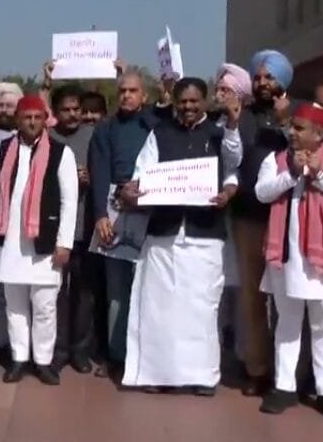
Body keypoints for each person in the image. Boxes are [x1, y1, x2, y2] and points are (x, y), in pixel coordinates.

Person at [119, 78, 242, 395]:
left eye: (194, 101)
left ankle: (202, 377)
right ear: (174, 102)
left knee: (201, 308)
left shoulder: (219, 135)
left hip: (205, 234)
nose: (188, 107)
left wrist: (228, 193)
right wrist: (133, 189)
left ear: (204, 102)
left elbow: (232, 170)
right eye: (182, 102)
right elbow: (142, 173)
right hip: (164, 232)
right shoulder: (159, 133)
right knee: (160, 308)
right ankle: (158, 375)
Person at [254, 104, 323, 421]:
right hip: (286, 259)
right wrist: (293, 175)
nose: (292, 133)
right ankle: (284, 387)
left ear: (320, 133)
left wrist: (320, 174)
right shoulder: (276, 159)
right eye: (292, 127)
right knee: (286, 323)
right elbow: (262, 193)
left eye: (300, 128)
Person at [0, 95, 78, 385]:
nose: (32, 122)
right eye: (26, 117)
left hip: (45, 241)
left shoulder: (60, 153)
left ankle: (43, 360)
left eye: (37, 117)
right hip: (11, 241)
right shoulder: (6, 149)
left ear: (45, 120)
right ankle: (19, 358)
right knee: (15, 304)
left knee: (44, 306)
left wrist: (64, 242)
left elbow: (70, 201)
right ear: (18, 120)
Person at [231, 48, 296, 396]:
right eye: (258, 76)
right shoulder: (242, 116)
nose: (263, 82)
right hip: (248, 217)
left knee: (290, 299)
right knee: (253, 298)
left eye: (269, 77)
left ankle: (292, 373)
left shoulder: (297, 113)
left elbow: (308, 151)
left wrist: (287, 123)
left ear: (283, 81)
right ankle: (258, 369)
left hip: (291, 219)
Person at [87, 70, 155, 379]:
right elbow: (99, 172)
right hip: (114, 211)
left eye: (133, 90)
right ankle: (117, 355)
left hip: (152, 213)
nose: (127, 95)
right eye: (123, 90)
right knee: (116, 290)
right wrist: (100, 213)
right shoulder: (106, 129)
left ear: (144, 95)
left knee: (149, 289)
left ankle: (147, 355)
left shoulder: (155, 125)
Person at [47, 85, 96, 374]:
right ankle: (58, 348)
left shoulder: (94, 135)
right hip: (56, 231)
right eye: (66, 109)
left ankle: (80, 350)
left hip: (86, 227)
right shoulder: (47, 138)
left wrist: (90, 176)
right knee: (56, 292)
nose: (73, 114)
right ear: (56, 112)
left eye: (76, 108)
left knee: (84, 293)